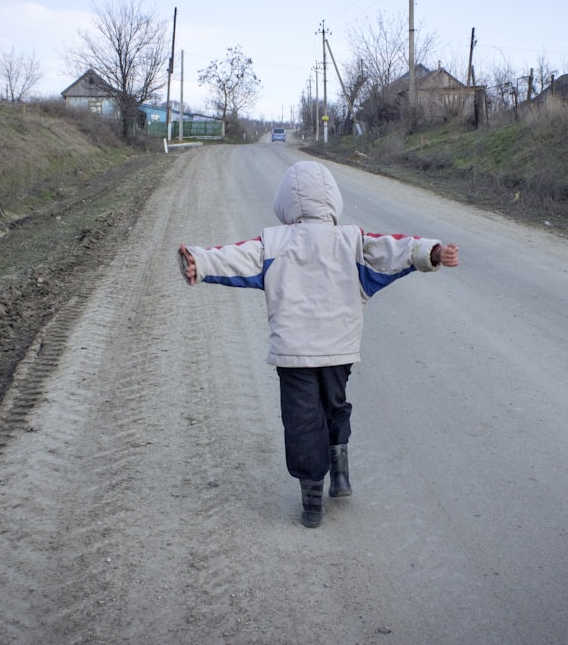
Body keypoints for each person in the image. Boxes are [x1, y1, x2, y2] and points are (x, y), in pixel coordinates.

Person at [178, 160, 459, 528]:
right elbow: (393, 249)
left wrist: (200, 261)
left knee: (301, 419)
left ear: (285, 205)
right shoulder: (352, 241)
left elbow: (236, 256)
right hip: (339, 349)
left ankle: (312, 499)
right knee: (334, 404)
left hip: (293, 353)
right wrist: (432, 252)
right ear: (332, 201)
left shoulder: (273, 243)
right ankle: (339, 467)